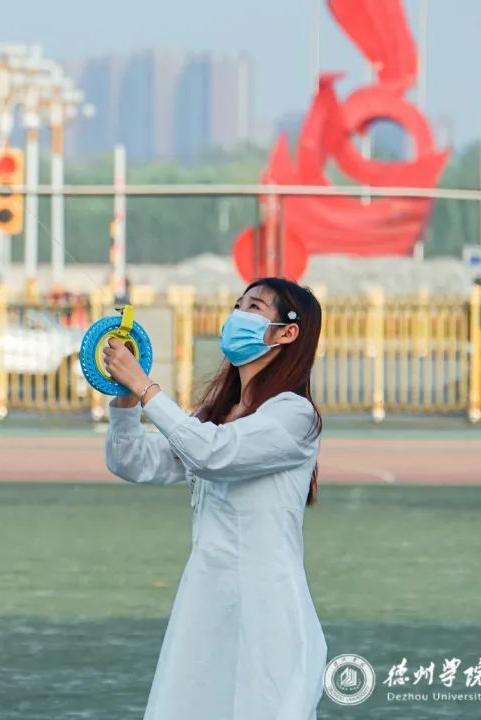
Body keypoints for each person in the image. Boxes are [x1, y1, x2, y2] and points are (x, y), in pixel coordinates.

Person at [102, 277, 328, 720]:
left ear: (287, 332)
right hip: (205, 601)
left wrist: (146, 387)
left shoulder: (293, 415)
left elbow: (212, 455)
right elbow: (131, 461)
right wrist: (127, 398)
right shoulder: (215, 417)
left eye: (255, 307)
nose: (237, 315)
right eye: (238, 305)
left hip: (266, 605)